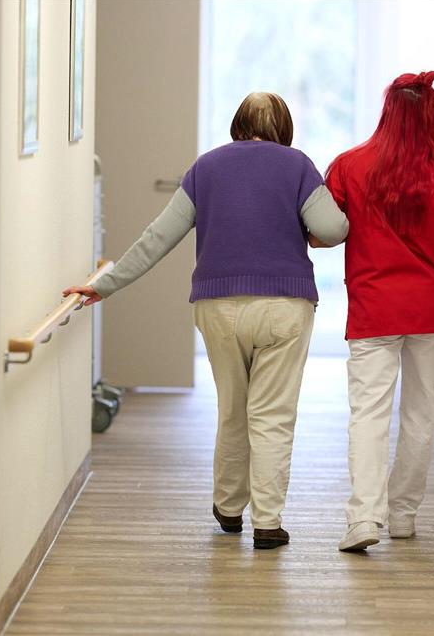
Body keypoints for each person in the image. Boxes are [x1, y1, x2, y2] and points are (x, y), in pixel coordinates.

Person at [64, 92, 348, 550]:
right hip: (285, 307)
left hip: (218, 307)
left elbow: (159, 237)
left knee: (233, 407)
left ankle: (229, 508)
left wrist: (107, 284)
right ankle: (269, 523)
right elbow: (333, 229)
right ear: (284, 128)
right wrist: (306, 231)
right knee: (272, 416)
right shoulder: (297, 166)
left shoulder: (206, 169)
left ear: (238, 124)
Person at [319, 71, 434, 552]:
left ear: (387, 113)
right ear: (432, 121)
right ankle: (403, 514)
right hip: (428, 312)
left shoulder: (348, 166)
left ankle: (364, 517)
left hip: (372, 310)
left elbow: (324, 232)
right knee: (420, 416)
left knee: (368, 414)